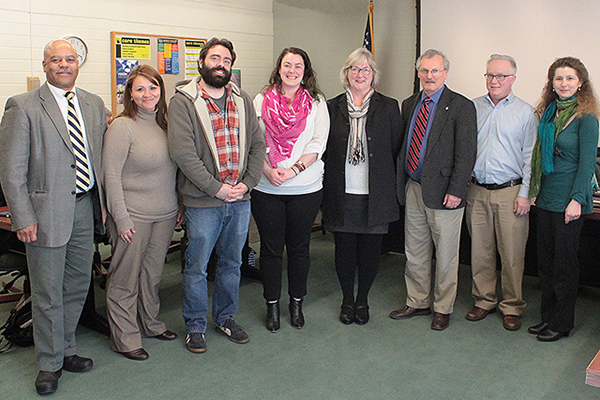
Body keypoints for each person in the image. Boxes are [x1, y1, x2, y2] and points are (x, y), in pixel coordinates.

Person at [0, 39, 107, 395]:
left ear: (78, 64)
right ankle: (48, 364)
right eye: (56, 60)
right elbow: (11, 171)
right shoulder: (23, 105)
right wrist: (22, 217)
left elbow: (97, 158)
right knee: (47, 293)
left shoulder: (93, 104)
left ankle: (66, 349)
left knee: (77, 286)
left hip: (84, 207)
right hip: (44, 214)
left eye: (69, 59)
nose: (63, 65)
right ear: (45, 65)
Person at [168, 37, 265, 353]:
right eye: (214, 58)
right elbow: (183, 153)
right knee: (196, 267)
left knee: (232, 264)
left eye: (226, 60)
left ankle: (225, 318)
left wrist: (247, 184)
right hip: (203, 202)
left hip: (239, 200)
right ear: (201, 63)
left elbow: (257, 146)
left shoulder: (242, 99)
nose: (220, 65)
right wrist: (216, 188)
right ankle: (195, 325)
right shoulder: (183, 101)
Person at [389, 49, 476, 331]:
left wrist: (457, 189)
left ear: (445, 73)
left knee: (447, 255)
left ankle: (442, 307)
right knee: (415, 251)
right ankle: (417, 301)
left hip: (445, 192)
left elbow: (466, 152)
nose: (429, 76)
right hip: (414, 187)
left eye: (435, 70)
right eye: (424, 70)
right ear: (418, 73)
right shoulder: (409, 103)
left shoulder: (461, 106)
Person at [103, 65, 182, 361]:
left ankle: (150, 323)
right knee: (124, 278)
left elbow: (175, 170)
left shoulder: (167, 124)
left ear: (161, 90)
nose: (147, 94)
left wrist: (179, 205)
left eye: (152, 87)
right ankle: (125, 338)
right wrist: (120, 218)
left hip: (165, 214)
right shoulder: (122, 127)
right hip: (133, 215)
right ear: (130, 94)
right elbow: (110, 176)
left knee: (151, 275)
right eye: (140, 89)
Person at [252, 47, 329, 332]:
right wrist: (268, 170)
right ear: (279, 69)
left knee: (299, 249)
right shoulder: (261, 100)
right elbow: (254, 142)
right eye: (287, 65)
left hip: (305, 188)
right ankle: (272, 304)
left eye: (298, 65)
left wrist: (294, 170)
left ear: (305, 71)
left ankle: (296, 303)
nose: (292, 70)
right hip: (267, 187)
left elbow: (318, 144)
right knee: (271, 250)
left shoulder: (317, 103)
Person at [323, 48, 401, 325]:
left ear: (373, 75)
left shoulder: (389, 106)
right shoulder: (330, 107)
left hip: (375, 193)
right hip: (341, 192)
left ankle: (363, 300)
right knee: (344, 251)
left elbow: (394, 148)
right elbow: (323, 149)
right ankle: (347, 300)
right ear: (346, 73)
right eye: (354, 69)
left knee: (369, 253)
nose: (360, 74)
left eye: (366, 69)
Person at [527, 57, 600, 342]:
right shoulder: (549, 113)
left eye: (570, 78)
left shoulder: (587, 117)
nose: (564, 83)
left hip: (569, 200)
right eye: (558, 78)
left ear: (580, 82)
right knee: (545, 262)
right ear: (552, 83)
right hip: (546, 197)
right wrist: (534, 191)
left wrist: (577, 200)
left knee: (564, 265)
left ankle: (561, 323)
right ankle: (547, 317)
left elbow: (587, 164)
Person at [465, 54, 537, 331]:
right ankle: (484, 300)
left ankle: (512, 306)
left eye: (501, 76)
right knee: (480, 251)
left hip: (511, 192)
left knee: (512, 254)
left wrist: (525, 194)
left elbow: (531, 157)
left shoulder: (526, 113)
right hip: (477, 190)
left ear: (513, 79)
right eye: (490, 75)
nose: (494, 81)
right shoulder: (472, 108)